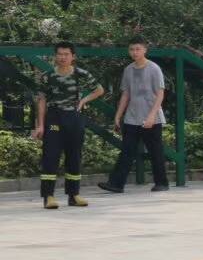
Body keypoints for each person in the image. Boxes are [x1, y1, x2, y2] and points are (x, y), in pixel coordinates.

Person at [33, 41, 104, 209]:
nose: (62, 57)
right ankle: (48, 196)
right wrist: (40, 125)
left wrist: (84, 100)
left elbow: (99, 90)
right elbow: (41, 101)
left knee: (74, 156)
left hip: (74, 117)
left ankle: (74, 195)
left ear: (73, 56)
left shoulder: (81, 74)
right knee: (51, 156)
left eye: (66, 54)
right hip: (54, 118)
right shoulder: (48, 76)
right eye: (59, 54)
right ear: (55, 56)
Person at [98, 36, 169, 194]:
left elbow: (160, 94)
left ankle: (162, 183)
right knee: (127, 150)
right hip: (132, 117)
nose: (134, 52)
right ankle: (116, 184)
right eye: (132, 49)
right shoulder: (128, 69)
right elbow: (126, 94)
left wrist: (152, 116)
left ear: (145, 50)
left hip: (152, 117)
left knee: (155, 151)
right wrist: (118, 115)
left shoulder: (154, 68)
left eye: (138, 49)